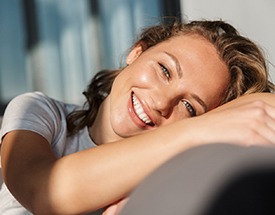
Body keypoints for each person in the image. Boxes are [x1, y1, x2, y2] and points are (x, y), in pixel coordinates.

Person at [0, 19, 275, 215]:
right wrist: (201, 128)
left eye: (189, 107)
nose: (160, 102)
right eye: (165, 70)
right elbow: (43, 191)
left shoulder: (166, 175)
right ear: (137, 52)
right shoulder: (42, 113)